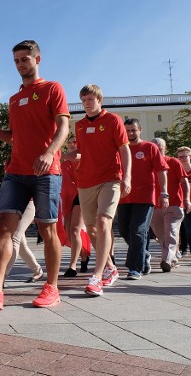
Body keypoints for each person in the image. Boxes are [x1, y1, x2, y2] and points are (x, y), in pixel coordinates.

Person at [0, 39, 70, 310]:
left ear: (37, 59)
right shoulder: (14, 99)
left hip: (47, 171)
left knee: (48, 229)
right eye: (16, 61)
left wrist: (49, 154)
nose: (20, 64)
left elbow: (63, 128)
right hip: (15, 172)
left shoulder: (52, 88)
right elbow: (14, 138)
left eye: (25, 59)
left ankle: (51, 287)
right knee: (4, 227)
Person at [66, 84, 131, 297]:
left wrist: (127, 176)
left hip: (110, 179)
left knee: (104, 222)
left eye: (90, 100)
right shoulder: (80, 125)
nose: (86, 104)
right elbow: (82, 154)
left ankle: (97, 276)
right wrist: (59, 156)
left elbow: (124, 149)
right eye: (83, 100)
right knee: (92, 229)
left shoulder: (113, 120)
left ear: (99, 100)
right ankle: (111, 268)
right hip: (85, 182)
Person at [117, 119, 169, 280]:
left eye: (133, 130)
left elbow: (161, 171)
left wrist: (164, 193)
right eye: (127, 130)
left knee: (138, 231)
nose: (130, 133)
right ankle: (144, 255)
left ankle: (135, 268)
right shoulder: (120, 149)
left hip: (145, 198)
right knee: (125, 231)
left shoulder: (150, 147)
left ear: (140, 130)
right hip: (123, 197)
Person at [149, 138, 191, 272]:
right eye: (155, 148)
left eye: (160, 148)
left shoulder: (173, 162)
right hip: (154, 206)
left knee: (171, 233)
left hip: (174, 204)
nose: (157, 150)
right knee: (161, 236)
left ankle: (166, 260)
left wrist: (187, 199)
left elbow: (184, 183)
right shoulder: (147, 163)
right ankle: (172, 258)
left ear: (165, 149)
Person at [60, 135, 91, 276]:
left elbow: (76, 156)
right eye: (69, 142)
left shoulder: (83, 156)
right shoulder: (64, 162)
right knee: (68, 231)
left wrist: (58, 154)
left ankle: (72, 266)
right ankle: (84, 255)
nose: (72, 144)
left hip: (82, 194)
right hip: (67, 197)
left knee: (75, 230)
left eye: (75, 142)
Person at [5, 200, 44, 283]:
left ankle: (2, 275)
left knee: (15, 237)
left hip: (28, 202)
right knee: (22, 245)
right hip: (15, 203)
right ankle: (38, 271)